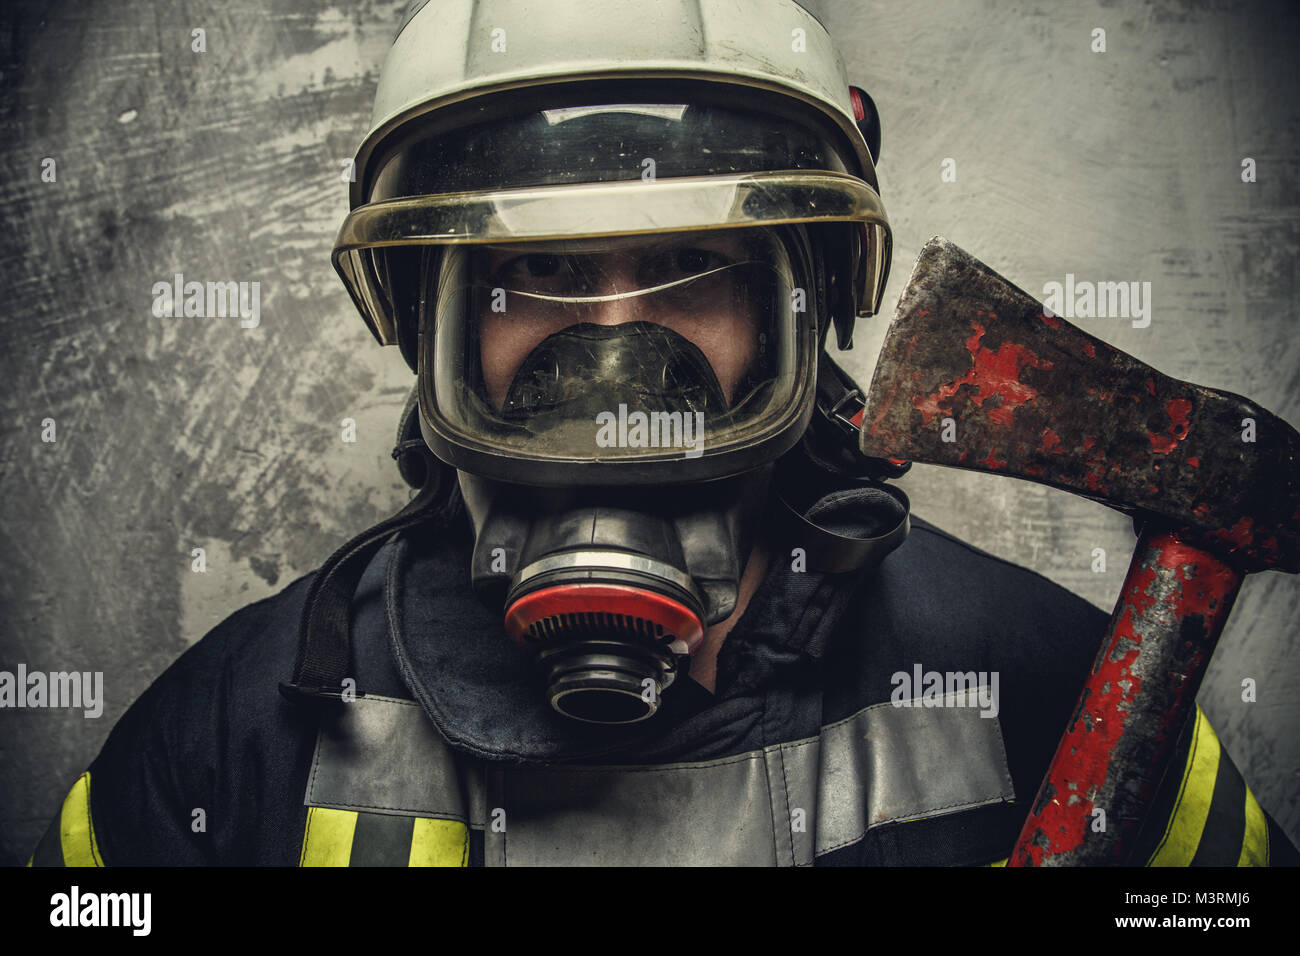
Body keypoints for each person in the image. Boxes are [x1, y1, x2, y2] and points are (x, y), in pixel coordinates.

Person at [29, 0, 1296, 867]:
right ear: (432, 323)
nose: (618, 355)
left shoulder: (1044, 685)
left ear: (800, 311)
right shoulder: (242, 730)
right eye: (543, 274)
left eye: (692, 265)